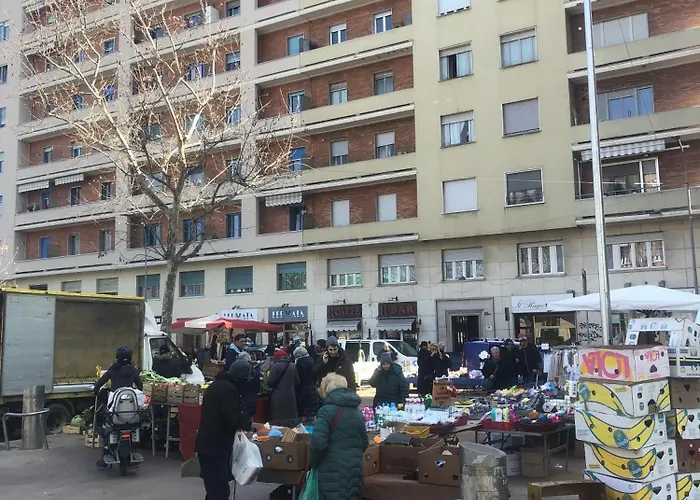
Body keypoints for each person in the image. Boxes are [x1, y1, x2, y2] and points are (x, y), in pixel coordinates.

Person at [195, 359, 252, 500]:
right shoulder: (228, 390)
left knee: (214, 489)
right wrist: (246, 419)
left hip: (207, 444)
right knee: (219, 491)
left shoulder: (216, 385)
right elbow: (233, 417)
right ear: (241, 379)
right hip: (216, 446)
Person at [310, 374, 369, 500]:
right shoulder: (357, 412)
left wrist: (312, 463)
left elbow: (318, 443)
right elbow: (364, 442)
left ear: (325, 389)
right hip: (354, 470)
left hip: (331, 471)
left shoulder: (325, 411)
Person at [93, 346, 143, 468]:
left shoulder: (114, 369)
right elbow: (140, 385)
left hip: (116, 413)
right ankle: (132, 449)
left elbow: (100, 383)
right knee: (135, 427)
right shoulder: (132, 370)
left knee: (107, 425)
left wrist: (96, 391)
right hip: (131, 413)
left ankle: (105, 453)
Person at [266, 349, 300, 426]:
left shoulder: (275, 366)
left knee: (278, 419)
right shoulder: (293, 366)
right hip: (291, 396)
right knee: (290, 418)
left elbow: (270, 382)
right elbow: (297, 381)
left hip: (278, 396)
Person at [294, 346, 319, 421]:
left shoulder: (299, 364)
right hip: (312, 389)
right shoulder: (312, 361)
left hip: (302, 391)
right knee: (311, 413)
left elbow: (297, 379)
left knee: (303, 413)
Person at [236, 351, 260, 420]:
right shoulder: (254, 369)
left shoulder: (242, 370)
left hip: (245, 400)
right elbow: (257, 387)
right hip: (252, 399)